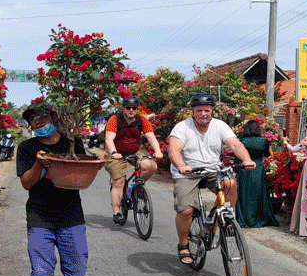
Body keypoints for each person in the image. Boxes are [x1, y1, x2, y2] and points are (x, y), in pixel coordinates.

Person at [16, 100, 89, 276]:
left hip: (70, 215)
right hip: (39, 217)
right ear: (30, 125)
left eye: (43, 116)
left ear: (53, 117)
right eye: (33, 119)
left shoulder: (72, 142)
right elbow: (27, 183)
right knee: (43, 271)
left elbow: (82, 170)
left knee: (78, 268)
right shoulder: (27, 148)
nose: (39, 121)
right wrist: (39, 163)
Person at [167, 93, 256, 265]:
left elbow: (235, 144)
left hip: (212, 169)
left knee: (230, 182)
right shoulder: (181, 127)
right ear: (192, 111)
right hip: (188, 172)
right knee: (186, 211)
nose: (203, 114)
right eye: (199, 110)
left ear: (212, 111)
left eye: (207, 110)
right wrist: (181, 166)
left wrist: (246, 159)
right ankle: (183, 244)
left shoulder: (220, 126)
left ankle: (227, 217)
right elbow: (174, 151)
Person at [103, 96, 164, 224]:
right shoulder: (115, 119)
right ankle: (116, 212)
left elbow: (151, 137)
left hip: (134, 152)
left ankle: (136, 187)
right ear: (123, 109)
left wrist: (158, 151)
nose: (131, 110)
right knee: (119, 182)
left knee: (151, 166)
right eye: (128, 108)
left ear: (137, 109)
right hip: (116, 153)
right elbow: (109, 139)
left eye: (134, 108)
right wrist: (114, 152)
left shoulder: (141, 120)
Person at [235, 120, 280, 228]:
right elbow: (266, 154)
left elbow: (237, 157)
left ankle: (245, 218)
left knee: (244, 193)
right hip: (258, 169)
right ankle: (259, 217)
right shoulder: (263, 141)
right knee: (259, 193)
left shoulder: (241, 141)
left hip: (244, 169)